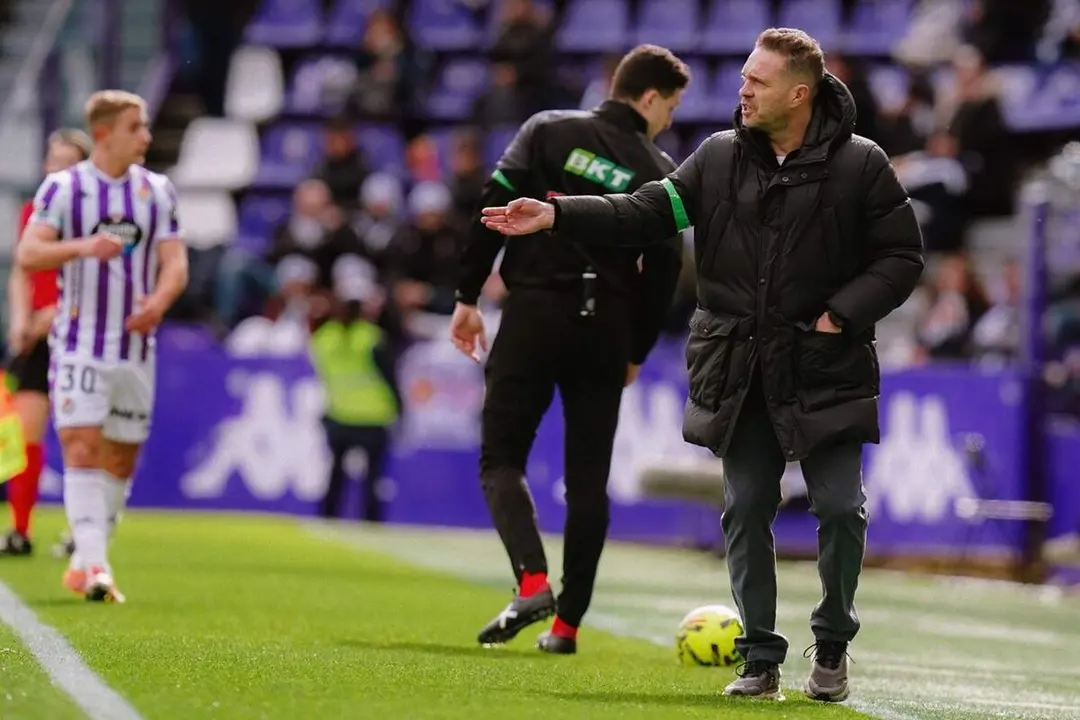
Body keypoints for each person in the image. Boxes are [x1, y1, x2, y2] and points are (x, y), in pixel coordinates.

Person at [481, 28, 924, 700]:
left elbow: (901, 257)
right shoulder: (716, 159)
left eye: (758, 80)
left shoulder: (861, 165)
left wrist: (841, 314)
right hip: (739, 366)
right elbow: (642, 212)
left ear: (799, 93)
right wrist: (556, 215)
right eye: (745, 76)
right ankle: (760, 659)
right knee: (746, 508)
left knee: (839, 508)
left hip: (825, 363)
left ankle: (832, 642)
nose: (742, 89)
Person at [451, 44, 690, 655]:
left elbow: (492, 205)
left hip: (533, 312)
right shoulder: (658, 168)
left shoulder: (547, 130)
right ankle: (566, 627)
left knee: (501, 459)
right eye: (670, 106)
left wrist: (466, 295)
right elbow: (664, 267)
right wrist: (636, 347)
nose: (669, 119)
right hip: (605, 326)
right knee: (588, 483)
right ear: (650, 97)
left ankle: (532, 581)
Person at [17, 90, 189, 603]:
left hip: (135, 347)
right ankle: (95, 565)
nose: (146, 137)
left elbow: (175, 262)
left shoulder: (157, 191)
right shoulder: (64, 189)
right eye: (136, 127)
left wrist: (158, 303)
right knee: (82, 447)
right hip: (78, 344)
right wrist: (82, 247)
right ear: (104, 133)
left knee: (120, 460)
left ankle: (86, 553)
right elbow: (29, 253)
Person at [1, 129, 92, 557]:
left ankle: (85, 531)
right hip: (36, 337)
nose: (57, 170)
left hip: (78, 335)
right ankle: (20, 530)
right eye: (53, 161)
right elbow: (21, 271)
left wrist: (56, 313)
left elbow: (97, 281)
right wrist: (20, 319)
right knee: (26, 431)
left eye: (68, 163)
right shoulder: (33, 214)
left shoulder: (91, 219)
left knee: (79, 436)